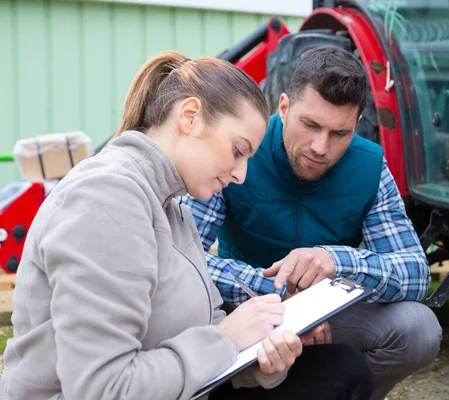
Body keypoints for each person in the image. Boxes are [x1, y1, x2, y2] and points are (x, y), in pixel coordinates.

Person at [2, 51, 375, 400]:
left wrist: (259, 359)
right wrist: (228, 339)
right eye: (237, 151)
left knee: (342, 369)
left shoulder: (171, 207)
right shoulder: (106, 199)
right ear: (190, 116)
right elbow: (105, 388)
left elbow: (206, 328)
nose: (242, 174)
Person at [183, 46, 443, 400]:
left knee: (419, 328)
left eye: (340, 133)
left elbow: (415, 271)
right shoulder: (242, 148)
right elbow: (181, 258)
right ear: (284, 107)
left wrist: (335, 261)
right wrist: (272, 289)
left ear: (356, 126)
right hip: (239, 310)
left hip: (327, 316)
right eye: (310, 125)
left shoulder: (369, 166)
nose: (321, 147)